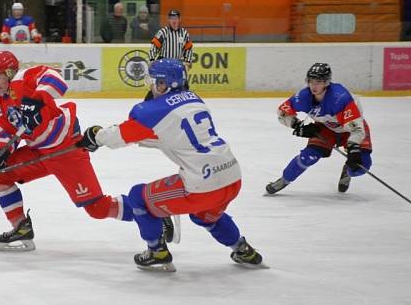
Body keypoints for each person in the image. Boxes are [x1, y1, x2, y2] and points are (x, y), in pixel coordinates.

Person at [76, 58, 263, 272]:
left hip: (202, 185)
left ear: (166, 84)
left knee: (138, 196)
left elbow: (118, 136)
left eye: (155, 82)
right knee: (205, 215)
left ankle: (157, 251)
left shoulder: (151, 111)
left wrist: (96, 136)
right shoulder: (195, 100)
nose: (152, 87)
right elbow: (167, 135)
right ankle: (242, 248)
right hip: (232, 176)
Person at [0, 50, 135, 251]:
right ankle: (21, 227)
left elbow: (56, 78)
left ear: (9, 72)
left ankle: (147, 213)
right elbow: (6, 132)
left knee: (98, 209)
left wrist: (38, 99)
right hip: (38, 152)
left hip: (66, 149)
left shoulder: (24, 78)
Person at [265, 63, 373, 195]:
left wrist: (354, 147)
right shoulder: (302, 97)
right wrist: (296, 124)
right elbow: (282, 113)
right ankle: (284, 180)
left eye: (319, 82)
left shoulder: (340, 98)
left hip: (352, 129)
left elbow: (356, 129)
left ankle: (348, 171)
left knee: (360, 167)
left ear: (327, 83)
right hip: (325, 128)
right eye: (311, 81)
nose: (314, 86)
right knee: (307, 157)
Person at [144, 9, 193, 100]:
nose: (174, 20)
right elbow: (154, 47)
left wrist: (188, 62)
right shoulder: (162, 32)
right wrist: (151, 60)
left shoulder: (184, 33)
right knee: (159, 89)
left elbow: (189, 49)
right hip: (164, 66)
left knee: (183, 88)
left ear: (179, 19)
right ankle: (148, 104)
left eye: (176, 18)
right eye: (171, 18)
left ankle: (181, 108)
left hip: (177, 66)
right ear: (169, 20)